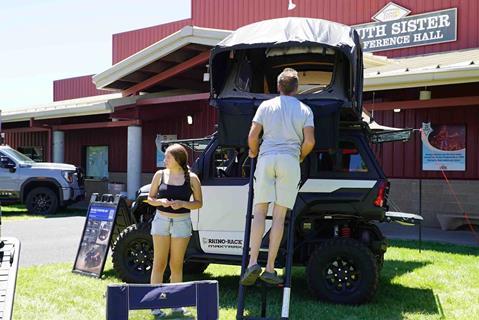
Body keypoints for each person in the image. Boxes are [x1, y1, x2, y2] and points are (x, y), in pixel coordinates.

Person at [240, 68, 315, 286]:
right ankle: (270, 268)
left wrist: (253, 151)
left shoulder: (266, 105)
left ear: (278, 86)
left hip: (267, 158)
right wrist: (299, 156)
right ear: (297, 88)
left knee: (259, 212)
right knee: (280, 216)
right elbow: (310, 142)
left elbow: (252, 136)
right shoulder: (305, 110)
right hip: (290, 160)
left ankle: (253, 262)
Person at [146, 143, 203, 318]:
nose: (164, 160)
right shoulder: (160, 175)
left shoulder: (192, 178)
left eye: (167, 157)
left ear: (178, 159)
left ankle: (177, 304)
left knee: (176, 265)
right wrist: (160, 202)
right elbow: (149, 198)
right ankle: (154, 305)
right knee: (159, 263)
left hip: (181, 223)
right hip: (161, 221)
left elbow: (199, 203)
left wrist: (183, 204)